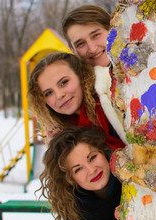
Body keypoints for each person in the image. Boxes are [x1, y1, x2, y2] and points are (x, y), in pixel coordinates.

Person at [27, 51, 125, 151]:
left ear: (81, 75)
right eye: (48, 93)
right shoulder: (61, 133)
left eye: (63, 82)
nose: (59, 95)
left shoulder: (115, 98)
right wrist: (60, 148)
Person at [36, 126, 121, 220]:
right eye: (78, 169)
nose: (92, 170)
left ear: (103, 152)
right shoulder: (78, 217)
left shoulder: (133, 179)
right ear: (70, 179)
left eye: (92, 157)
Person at [61, 4, 126, 143]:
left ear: (112, 29)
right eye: (80, 44)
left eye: (96, 35)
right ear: (72, 50)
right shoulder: (81, 95)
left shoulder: (148, 63)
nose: (92, 48)